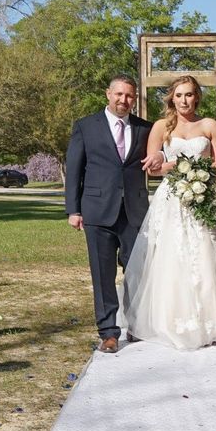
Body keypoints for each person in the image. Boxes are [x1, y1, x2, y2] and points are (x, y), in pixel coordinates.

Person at [123, 75, 216, 350]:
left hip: (205, 193)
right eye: (179, 95)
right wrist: (181, 167)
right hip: (172, 199)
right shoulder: (161, 127)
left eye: (189, 95)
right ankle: (171, 320)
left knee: (209, 254)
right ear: (171, 98)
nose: (184, 101)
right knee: (172, 257)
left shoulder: (209, 125)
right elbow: (152, 168)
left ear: (196, 97)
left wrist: (198, 171)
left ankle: (215, 319)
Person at [65, 74, 163, 353]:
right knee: (103, 275)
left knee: (137, 272)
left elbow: (162, 155)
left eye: (129, 96)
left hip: (135, 211)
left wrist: (161, 158)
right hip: (97, 212)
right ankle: (109, 332)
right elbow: (74, 169)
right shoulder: (86, 126)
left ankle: (137, 326)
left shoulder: (146, 129)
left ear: (135, 99)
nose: (124, 100)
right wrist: (74, 209)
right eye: (119, 94)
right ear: (108, 94)